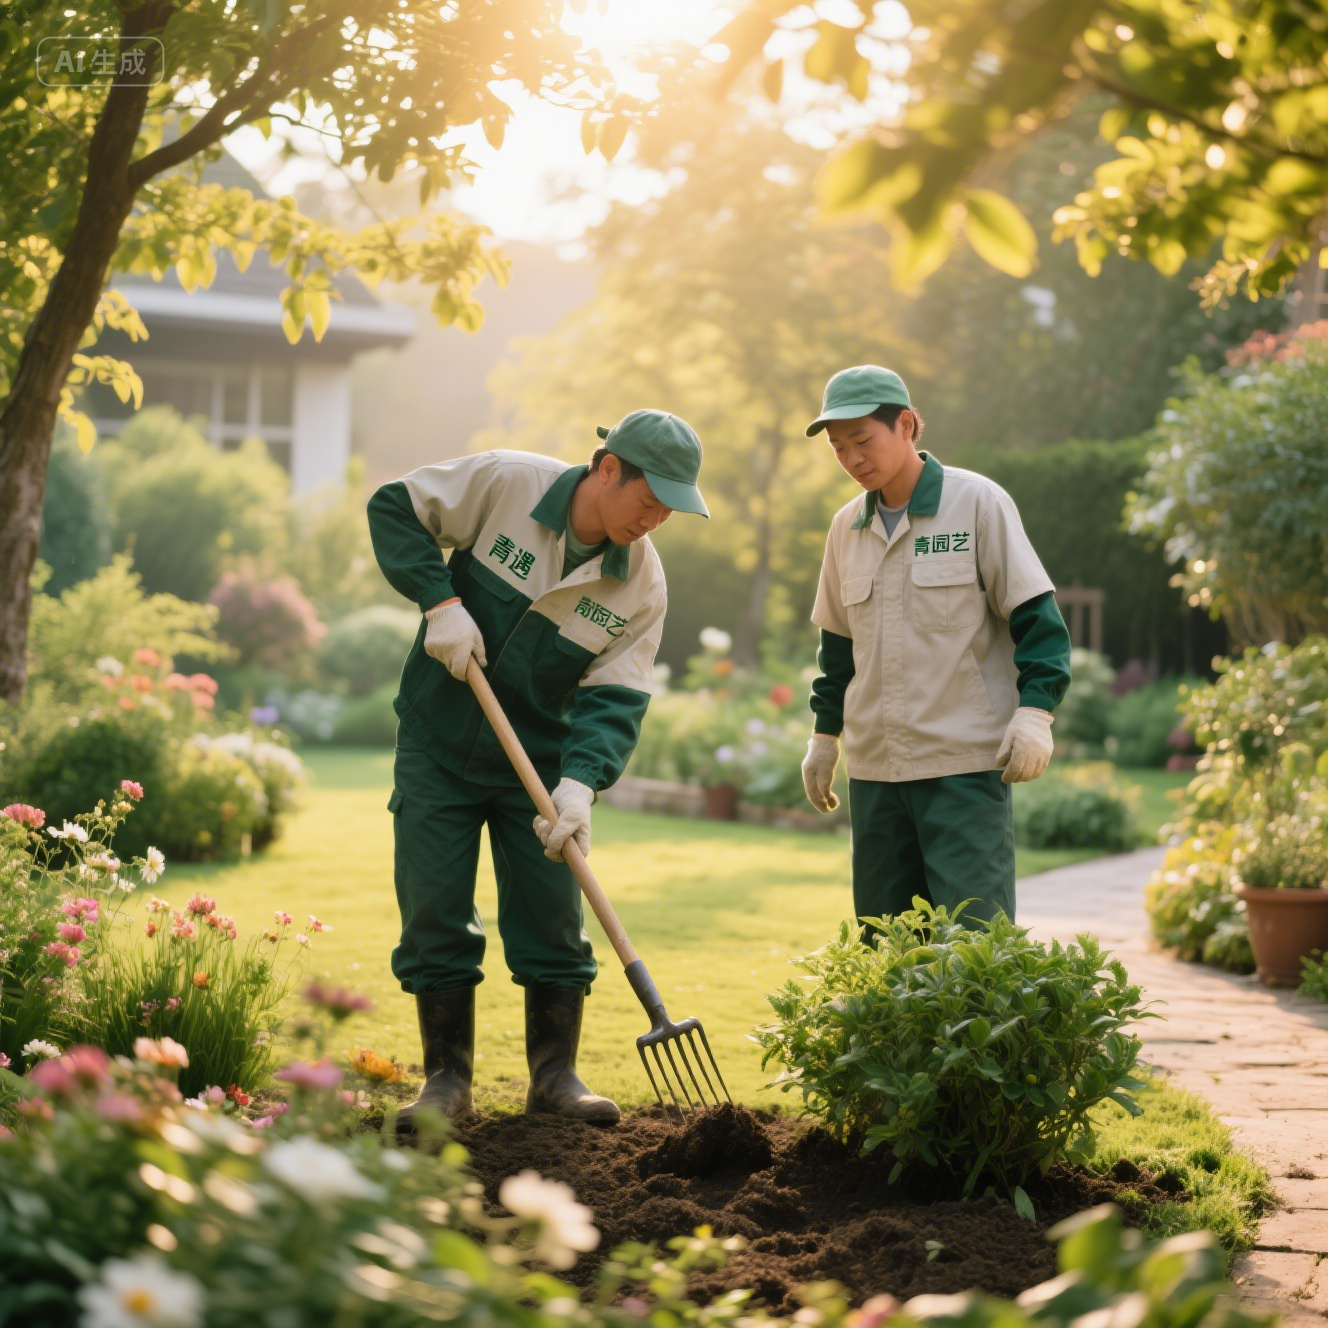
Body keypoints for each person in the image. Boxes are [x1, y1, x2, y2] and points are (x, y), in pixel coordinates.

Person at [367, 410, 708, 1128]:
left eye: (669, 511)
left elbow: (616, 698)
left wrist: (580, 787)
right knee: (433, 907)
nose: (655, 521)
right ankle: (446, 1080)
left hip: (544, 769)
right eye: (650, 500)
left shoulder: (640, 585)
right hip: (439, 741)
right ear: (608, 468)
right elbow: (395, 505)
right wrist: (442, 602)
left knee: (553, 920)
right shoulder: (508, 485)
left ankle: (555, 1076)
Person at [800, 365, 1072, 927]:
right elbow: (837, 650)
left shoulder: (977, 505)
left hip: (963, 769)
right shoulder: (844, 528)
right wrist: (825, 738)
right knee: (886, 946)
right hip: (876, 773)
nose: (852, 459)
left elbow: (1037, 619)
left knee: (974, 945)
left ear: (905, 425)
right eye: (839, 447)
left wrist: (1036, 711)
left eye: (863, 441)